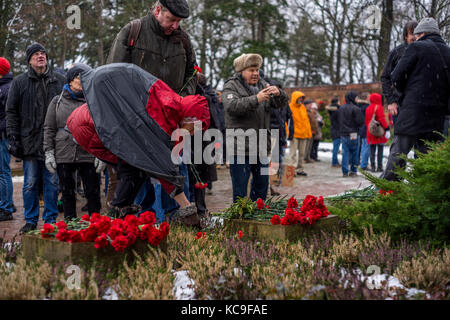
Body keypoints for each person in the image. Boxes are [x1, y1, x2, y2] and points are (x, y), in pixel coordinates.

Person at [66, 63, 210, 227]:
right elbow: (165, 168)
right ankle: (115, 220)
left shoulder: (169, 107)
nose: (192, 133)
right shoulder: (163, 116)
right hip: (90, 125)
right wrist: (187, 209)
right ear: (189, 119)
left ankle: (121, 217)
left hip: (92, 117)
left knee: (136, 169)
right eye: (193, 129)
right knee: (134, 169)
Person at [107, 0, 196, 217]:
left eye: (179, 21)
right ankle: (140, 221)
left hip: (169, 122)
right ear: (158, 10)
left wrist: (182, 102)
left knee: (173, 171)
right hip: (135, 120)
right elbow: (113, 75)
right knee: (138, 173)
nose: (175, 25)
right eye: (172, 19)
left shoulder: (183, 40)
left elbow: (192, 76)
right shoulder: (132, 31)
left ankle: (174, 221)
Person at [6, 43, 65, 233]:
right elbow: (11, 112)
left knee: (52, 183)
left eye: (43, 53)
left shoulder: (59, 81)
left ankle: (50, 219)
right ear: (29, 60)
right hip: (29, 141)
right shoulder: (19, 82)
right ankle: (30, 220)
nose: (40, 56)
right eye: (36, 54)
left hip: (53, 142)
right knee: (30, 183)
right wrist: (13, 137)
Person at [382, 18, 450, 181]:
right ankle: (424, 194)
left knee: (399, 155)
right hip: (438, 116)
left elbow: (396, 76)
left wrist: (408, 93)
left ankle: (389, 191)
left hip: (413, 112)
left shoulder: (416, 47)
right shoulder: (448, 51)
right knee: (429, 159)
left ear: (422, 34)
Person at [222, 53, 288, 202]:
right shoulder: (231, 86)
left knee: (261, 188)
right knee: (240, 192)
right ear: (241, 71)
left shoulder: (263, 84)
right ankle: (240, 221)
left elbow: (280, 104)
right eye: (251, 70)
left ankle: (256, 217)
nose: (256, 73)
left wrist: (279, 94)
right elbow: (232, 107)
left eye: (257, 70)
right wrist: (256, 99)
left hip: (261, 147)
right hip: (240, 148)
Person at [43, 63, 102, 221]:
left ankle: (96, 227)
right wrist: (49, 152)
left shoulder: (93, 101)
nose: (82, 81)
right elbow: (49, 128)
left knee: (93, 193)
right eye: (79, 78)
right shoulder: (57, 101)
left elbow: (101, 129)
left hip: (88, 153)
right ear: (70, 80)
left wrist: (101, 154)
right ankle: (70, 227)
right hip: (64, 154)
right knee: (67, 193)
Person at [381, 21, 418, 125]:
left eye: (417, 33)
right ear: (406, 36)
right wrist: (391, 101)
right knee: (401, 139)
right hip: (400, 103)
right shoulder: (396, 52)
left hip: (419, 103)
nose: (415, 37)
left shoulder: (425, 51)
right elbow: (385, 77)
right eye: (412, 34)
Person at [337, 91, 364, 177]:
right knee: (354, 153)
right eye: (356, 97)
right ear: (353, 98)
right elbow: (360, 122)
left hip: (344, 133)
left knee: (345, 153)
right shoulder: (356, 108)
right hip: (354, 133)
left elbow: (339, 121)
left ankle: (344, 172)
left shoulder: (341, 108)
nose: (357, 99)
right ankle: (353, 171)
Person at [0, 57, 14, 221]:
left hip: (3, 136)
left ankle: (6, 207)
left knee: (3, 172)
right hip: (3, 134)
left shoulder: (6, 88)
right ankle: (6, 202)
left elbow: (8, 115)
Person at [286, 91, 311, 176]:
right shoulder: (289, 107)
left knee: (302, 153)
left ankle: (300, 169)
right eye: (299, 98)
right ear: (295, 98)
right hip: (294, 134)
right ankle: (291, 171)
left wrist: (308, 133)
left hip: (303, 134)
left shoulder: (303, 107)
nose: (301, 99)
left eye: (302, 98)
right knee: (292, 153)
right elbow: (286, 121)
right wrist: (288, 132)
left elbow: (306, 121)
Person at [365, 93, 389, 172]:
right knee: (380, 150)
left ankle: (372, 167)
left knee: (372, 150)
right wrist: (387, 128)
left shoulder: (368, 108)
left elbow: (366, 121)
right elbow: (382, 119)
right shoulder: (378, 107)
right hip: (378, 132)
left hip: (371, 132)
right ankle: (379, 167)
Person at [356, 92, 371, 170]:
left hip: (359, 129)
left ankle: (360, 162)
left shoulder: (357, 106)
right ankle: (364, 164)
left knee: (361, 147)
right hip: (366, 129)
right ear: (366, 98)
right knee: (366, 147)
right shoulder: (367, 107)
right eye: (369, 97)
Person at [326, 97, 341, 168]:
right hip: (337, 131)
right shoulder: (336, 111)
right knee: (336, 148)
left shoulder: (332, 111)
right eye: (339, 101)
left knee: (336, 147)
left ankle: (335, 162)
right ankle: (334, 162)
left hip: (334, 130)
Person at [304, 99, 318, 164]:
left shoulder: (310, 112)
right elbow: (307, 123)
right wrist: (311, 130)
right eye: (310, 104)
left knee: (309, 146)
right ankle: (305, 158)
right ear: (306, 105)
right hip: (308, 131)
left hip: (312, 132)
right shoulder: (305, 112)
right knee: (306, 146)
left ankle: (307, 157)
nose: (311, 106)